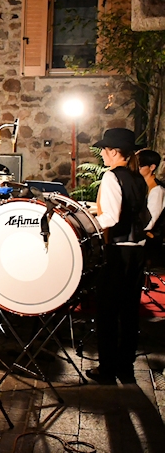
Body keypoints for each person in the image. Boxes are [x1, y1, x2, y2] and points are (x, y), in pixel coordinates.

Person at [88, 129, 150, 384]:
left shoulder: (112, 177)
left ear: (114, 151)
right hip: (137, 250)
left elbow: (111, 218)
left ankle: (107, 369)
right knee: (129, 312)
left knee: (108, 311)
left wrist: (91, 220)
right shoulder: (137, 178)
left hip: (119, 251)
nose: (101, 154)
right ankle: (125, 368)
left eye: (104, 149)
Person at [138, 149, 165, 267]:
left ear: (152, 167)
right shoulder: (143, 186)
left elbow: (150, 222)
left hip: (151, 239)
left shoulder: (157, 190)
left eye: (140, 166)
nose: (136, 168)